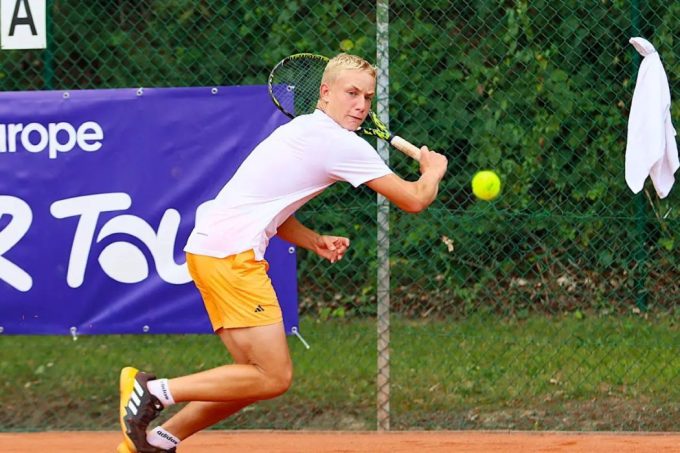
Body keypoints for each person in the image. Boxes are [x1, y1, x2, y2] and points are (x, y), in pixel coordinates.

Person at [117, 53, 447, 453]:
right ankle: (152, 391)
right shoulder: (340, 143)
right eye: (352, 93)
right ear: (325, 92)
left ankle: (158, 441)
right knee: (272, 376)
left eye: (367, 97)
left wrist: (313, 240)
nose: (361, 105)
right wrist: (432, 171)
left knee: (252, 376)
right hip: (231, 256)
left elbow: (268, 205)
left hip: (210, 250)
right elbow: (414, 199)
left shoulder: (304, 130)